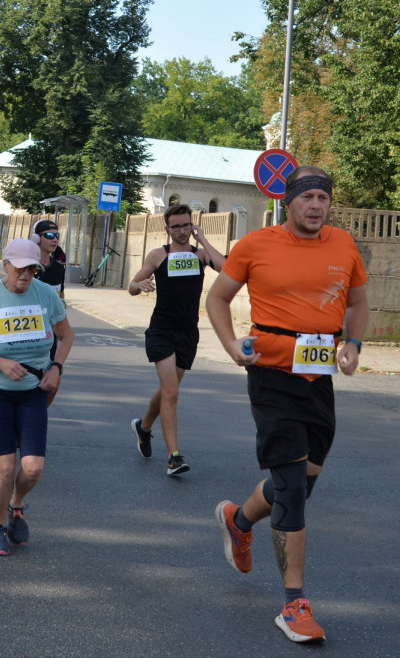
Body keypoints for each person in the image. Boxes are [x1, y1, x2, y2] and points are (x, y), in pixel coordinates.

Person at [205, 166, 369, 644]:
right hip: (271, 374)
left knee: (300, 482)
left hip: (318, 377)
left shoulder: (343, 245)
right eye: (307, 198)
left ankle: (238, 520)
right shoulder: (256, 245)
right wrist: (233, 345)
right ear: (288, 202)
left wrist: (353, 344)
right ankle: (294, 604)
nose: (316, 205)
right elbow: (218, 299)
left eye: (323, 197)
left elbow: (357, 303)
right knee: (293, 487)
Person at [0, 238, 73, 556]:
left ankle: (15, 506)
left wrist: (56, 367)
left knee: (33, 467)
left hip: (33, 389)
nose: (25, 273)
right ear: (5, 265)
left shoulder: (46, 294)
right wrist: (0, 363)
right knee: (6, 467)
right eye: (19, 267)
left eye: (32, 267)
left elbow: (65, 335)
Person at [128, 204, 225, 476]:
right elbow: (132, 286)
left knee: (167, 390)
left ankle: (143, 427)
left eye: (187, 225)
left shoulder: (201, 255)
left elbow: (229, 270)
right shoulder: (159, 255)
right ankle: (174, 457)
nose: (182, 231)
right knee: (171, 392)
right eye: (177, 226)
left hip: (188, 333)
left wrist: (203, 239)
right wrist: (140, 285)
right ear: (167, 229)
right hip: (161, 330)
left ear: (192, 225)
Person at [31, 219, 65, 406]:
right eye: (49, 235)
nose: (54, 240)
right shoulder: (28, 267)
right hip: (29, 332)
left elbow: (61, 295)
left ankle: (38, 414)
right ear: (37, 238)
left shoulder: (59, 268)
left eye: (57, 235)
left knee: (52, 383)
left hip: (51, 333)